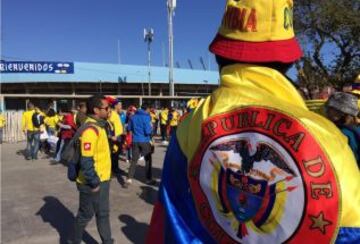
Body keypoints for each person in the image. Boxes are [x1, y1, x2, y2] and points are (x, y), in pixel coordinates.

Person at [146, 1, 360, 243]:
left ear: (219, 57)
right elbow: (351, 231)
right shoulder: (330, 142)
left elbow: (169, 219)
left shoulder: (191, 126)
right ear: (288, 60)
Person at [70, 95, 113, 244]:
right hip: (91, 182)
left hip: (103, 178)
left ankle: (108, 241)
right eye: (106, 108)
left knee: (103, 213)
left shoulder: (100, 126)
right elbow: (86, 161)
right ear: (96, 110)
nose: (109, 110)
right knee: (85, 215)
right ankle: (73, 241)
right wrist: (94, 183)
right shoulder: (91, 130)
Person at [325, 92, 360, 167]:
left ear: (342, 112)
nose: (326, 112)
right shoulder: (356, 128)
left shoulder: (342, 134)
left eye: (331, 109)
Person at [125, 103, 154, 187]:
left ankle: (129, 179)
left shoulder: (133, 117)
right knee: (148, 160)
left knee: (134, 160)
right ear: (147, 109)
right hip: (144, 141)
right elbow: (147, 131)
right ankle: (148, 179)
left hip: (135, 140)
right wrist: (151, 129)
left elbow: (129, 128)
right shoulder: (146, 117)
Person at [106, 97, 124, 175]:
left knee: (116, 154)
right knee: (112, 155)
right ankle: (111, 170)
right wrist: (111, 136)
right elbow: (108, 126)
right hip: (113, 138)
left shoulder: (117, 114)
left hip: (119, 136)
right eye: (119, 105)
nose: (121, 107)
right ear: (115, 106)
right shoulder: (111, 114)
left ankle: (115, 168)